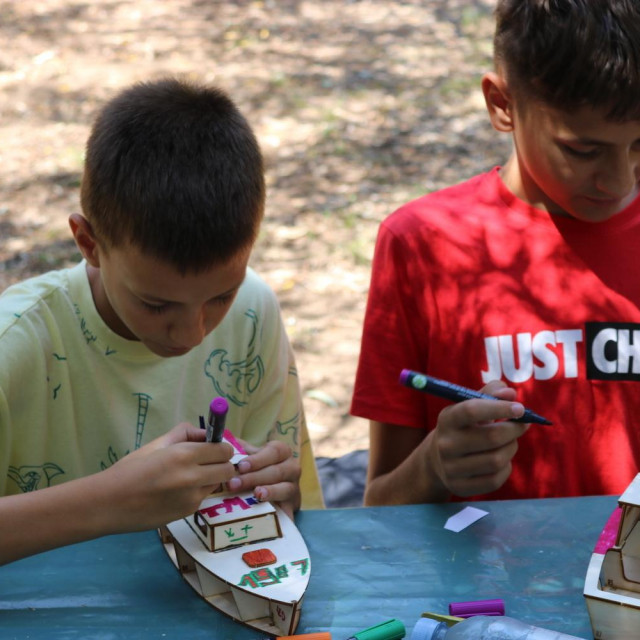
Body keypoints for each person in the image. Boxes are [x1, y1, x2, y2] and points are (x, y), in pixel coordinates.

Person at [0, 77, 323, 565]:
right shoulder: (15, 345)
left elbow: (279, 517)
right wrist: (109, 501)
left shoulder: (251, 312)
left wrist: (276, 494)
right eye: (156, 305)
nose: (192, 333)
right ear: (89, 243)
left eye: (220, 296)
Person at [351, 0, 640, 505]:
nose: (619, 181)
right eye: (583, 150)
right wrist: (433, 467)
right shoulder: (423, 245)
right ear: (502, 105)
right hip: (491, 580)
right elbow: (381, 507)